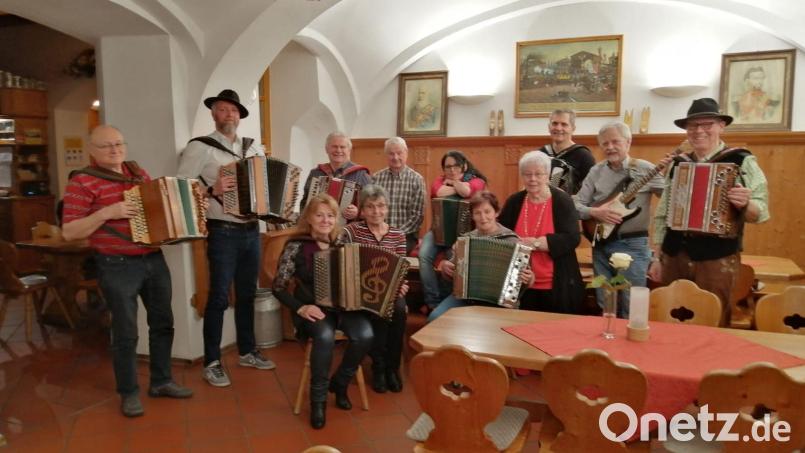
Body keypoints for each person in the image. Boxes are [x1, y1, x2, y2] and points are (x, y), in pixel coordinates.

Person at [62, 125, 193, 417]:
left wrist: (174, 220)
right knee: (126, 332)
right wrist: (107, 212)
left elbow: (154, 210)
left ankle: (161, 381)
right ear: (92, 150)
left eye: (119, 143)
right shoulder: (81, 182)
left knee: (163, 323)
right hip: (117, 265)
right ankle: (129, 392)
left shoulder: (138, 174)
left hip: (153, 259)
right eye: (106, 145)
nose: (114, 149)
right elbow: (69, 231)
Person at [177, 89, 275, 388]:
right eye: (222, 109)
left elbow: (265, 184)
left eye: (233, 110)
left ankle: (246, 350)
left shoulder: (254, 148)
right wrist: (212, 190)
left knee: (247, 293)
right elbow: (180, 188)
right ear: (213, 114)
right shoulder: (200, 147)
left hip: (250, 230)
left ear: (239, 116)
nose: (228, 115)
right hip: (222, 231)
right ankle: (212, 361)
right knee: (218, 297)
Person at [649, 98, 769, 326]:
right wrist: (657, 257)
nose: (699, 131)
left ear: (721, 126)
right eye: (693, 125)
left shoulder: (742, 161)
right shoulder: (678, 163)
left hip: (717, 257)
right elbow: (664, 212)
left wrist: (745, 203)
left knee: (713, 320)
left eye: (707, 124)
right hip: (674, 255)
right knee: (669, 317)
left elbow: (760, 213)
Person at [273, 194, 374, 429]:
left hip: (343, 309)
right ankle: (317, 401)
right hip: (313, 310)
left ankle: (339, 383)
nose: (325, 220)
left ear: (336, 219)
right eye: (319, 215)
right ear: (309, 218)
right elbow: (277, 287)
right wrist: (301, 307)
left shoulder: (343, 244)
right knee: (325, 337)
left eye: (330, 216)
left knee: (365, 335)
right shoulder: (295, 245)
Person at [575, 121, 669, 318]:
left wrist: (673, 177)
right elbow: (576, 205)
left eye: (615, 142)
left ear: (628, 142)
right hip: (601, 245)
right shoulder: (596, 171)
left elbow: (671, 200)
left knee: (631, 304)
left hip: (633, 245)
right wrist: (595, 212)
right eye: (604, 144)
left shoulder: (645, 169)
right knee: (605, 301)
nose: (610, 147)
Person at [338, 185, 409, 393]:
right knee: (377, 309)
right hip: (361, 292)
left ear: (387, 208)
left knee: (397, 310)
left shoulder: (398, 235)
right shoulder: (351, 231)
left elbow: (402, 265)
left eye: (380, 206)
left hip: (391, 288)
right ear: (362, 210)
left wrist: (401, 284)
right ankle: (378, 368)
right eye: (370, 207)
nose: (376, 211)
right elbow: (340, 259)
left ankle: (391, 369)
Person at [499, 150, 585, 314]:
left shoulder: (562, 201)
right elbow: (500, 233)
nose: (532, 179)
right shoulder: (514, 202)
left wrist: (535, 243)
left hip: (556, 284)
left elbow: (573, 238)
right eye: (527, 174)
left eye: (538, 174)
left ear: (547, 175)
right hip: (519, 285)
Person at [428, 191, 532, 321]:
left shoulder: (512, 240)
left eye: (487, 211)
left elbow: (528, 279)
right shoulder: (466, 240)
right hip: (467, 299)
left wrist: (529, 278)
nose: (483, 217)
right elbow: (453, 275)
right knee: (435, 318)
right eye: (477, 213)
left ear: (496, 213)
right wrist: (445, 267)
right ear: (472, 216)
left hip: (500, 303)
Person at [419, 150, 487, 311]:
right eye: (447, 167)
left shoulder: (477, 180)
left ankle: (447, 302)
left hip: (464, 233)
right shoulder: (439, 180)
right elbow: (439, 192)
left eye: (456, 166)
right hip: (439, 229)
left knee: (452, 258)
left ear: (464, 165)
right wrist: (459, 187)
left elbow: (468, 191)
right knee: (424, 255)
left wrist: (455, 184)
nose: (452, 170)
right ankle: (432, 302)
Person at [300, 131, 373, 221]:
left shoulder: (361, 174)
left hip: (349, 231)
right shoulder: (316, 173)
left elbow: (373, 207)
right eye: (334, 146)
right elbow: (304, 203)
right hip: (318, 229)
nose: (338, 150)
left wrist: (358, 213)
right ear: (327, 149)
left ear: (349, 150)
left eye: (342, 147)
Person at [372, 137, 426, 254]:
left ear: (406, 153)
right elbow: (372, 210)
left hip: (406, 236)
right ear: (386, 155)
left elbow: (417, 216)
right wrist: (382, 233)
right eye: (391, 154)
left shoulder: (417, 180)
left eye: (399, 153)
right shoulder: (376, 178)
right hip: (378, 233)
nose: (395, 157)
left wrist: (395, 234)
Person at [537, 109, 595, 194]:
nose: (558, 128)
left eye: (564, 124)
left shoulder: (583, 155)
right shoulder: (541, 154)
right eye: (554, 123)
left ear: (573, 128)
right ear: (549, 127)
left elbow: (593, 188)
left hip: (572, 205)